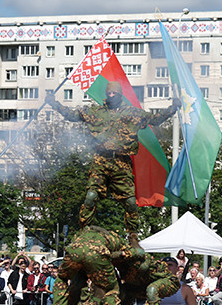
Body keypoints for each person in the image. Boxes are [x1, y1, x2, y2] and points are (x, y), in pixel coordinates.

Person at [46, 84, 180, 247]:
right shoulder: (95, 112)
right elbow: (72, 115)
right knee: (91, 196)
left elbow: (156, 119)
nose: (111, 94)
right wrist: (53, 103)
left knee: (130, 201)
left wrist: (173, 107)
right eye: (108, 91)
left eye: (114, 92)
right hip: (100, 160)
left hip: (121, 162)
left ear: (120, 94)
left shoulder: (132, 113)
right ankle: (84, 232)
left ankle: (132, 235)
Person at [50, 226, 144, 305]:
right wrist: (128, 247)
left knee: (62, 278)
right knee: (112, 289)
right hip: (97, 254)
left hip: (74, 250)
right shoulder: (114, 238)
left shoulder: (81, 233)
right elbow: (138, 252)